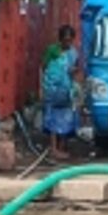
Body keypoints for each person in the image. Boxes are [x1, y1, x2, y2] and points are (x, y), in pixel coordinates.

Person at [42, 25, 80, 160]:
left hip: (67, 90)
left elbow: (75, 69)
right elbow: (45, 67)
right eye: (65, 40)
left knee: (67, 119)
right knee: (53, 119)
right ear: (60, 39)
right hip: (53, 89)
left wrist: (73, 77)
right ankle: (53, 149)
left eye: (70, 40)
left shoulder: (73, 53)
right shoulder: (53, 51)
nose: (67, 43)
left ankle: (62, 147)